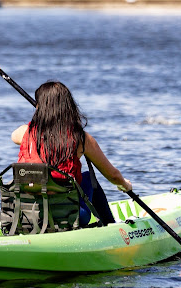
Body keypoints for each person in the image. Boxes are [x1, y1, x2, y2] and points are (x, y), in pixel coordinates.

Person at [11, 81, 132, 226]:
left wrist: (41, 116)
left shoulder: (25, 132)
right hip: (70, 217)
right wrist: (125, 185)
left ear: (39, 107)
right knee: (89, 178)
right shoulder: (81, 138)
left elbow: (14, 136)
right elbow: (113, 176)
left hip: (28, 215)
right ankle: (111, 226)